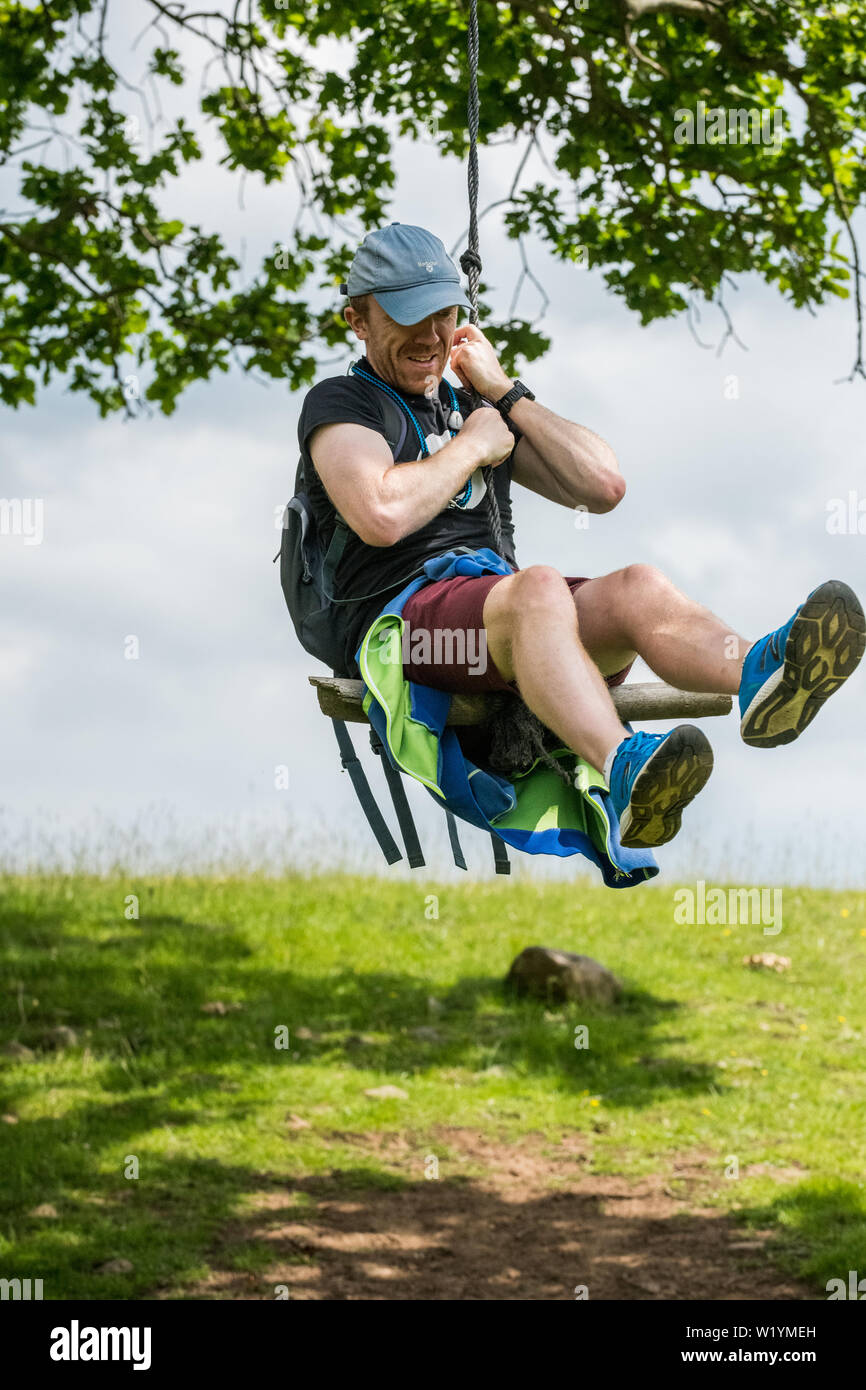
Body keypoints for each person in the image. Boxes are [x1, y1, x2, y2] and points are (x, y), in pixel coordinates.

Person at [296, 223, 865, 850]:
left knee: (637, 589)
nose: (431, 335)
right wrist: (472, 447)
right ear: (358, 319)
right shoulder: (341, 404)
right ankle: (623, 767)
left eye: (444, 313)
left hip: (500, 624)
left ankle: (764, 672)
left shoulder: (475, 404)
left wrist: (504, 391)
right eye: (409, 317)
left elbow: (602, 485)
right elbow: (379, 513)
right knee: (536, 588)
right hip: (402, 633)